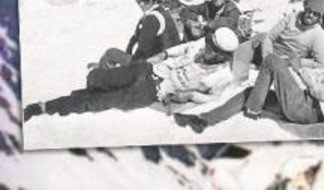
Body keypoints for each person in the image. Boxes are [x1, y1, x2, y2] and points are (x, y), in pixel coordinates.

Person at [24, 28, 238, 121]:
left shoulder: (222, 75)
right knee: (97, 78)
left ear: (222, 56)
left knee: (100, 102)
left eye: (212, 50)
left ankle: (44, 108)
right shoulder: (203, 43)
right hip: (147, 70)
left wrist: (188, 98)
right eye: (208, 44)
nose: (206, 49)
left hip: (152, 92)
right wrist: (161, 55)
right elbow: (182, 48)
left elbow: (213, 99)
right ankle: (78, 98)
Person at [174, 43, 324, 133]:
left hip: (309, 110)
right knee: (251, 92)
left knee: (272, 61)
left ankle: (253, 112)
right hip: (306, 102)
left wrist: (300, 71)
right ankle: (203, 120)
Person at [95, 0, 182, 69]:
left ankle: (102, 75)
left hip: (155, 64)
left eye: (141, 1)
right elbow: (136, 39)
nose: (140, 5)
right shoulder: (161, 12)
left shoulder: (152, 19)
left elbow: (143, 50)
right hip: (165, 59)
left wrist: (128, 69)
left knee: (110, 54)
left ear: (150, 0)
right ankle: (105, 69)